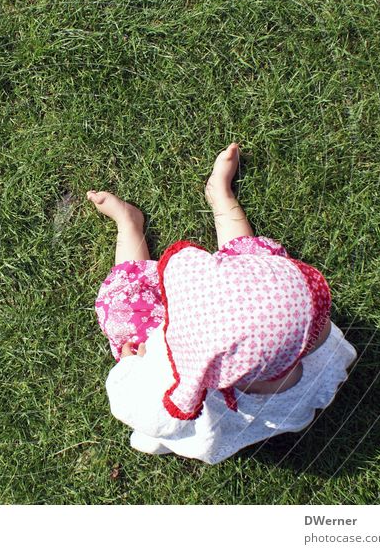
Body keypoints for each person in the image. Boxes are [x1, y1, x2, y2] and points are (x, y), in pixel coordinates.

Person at [87, 143, 357, 463]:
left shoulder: (169, 380)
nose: (322, 327)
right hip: (242, 330)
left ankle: (129, 224)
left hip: (173, 345)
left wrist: (133, 364)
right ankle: (219, 196)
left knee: (123, 304)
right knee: (242, 256)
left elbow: (127, 402)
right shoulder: (306, 347)